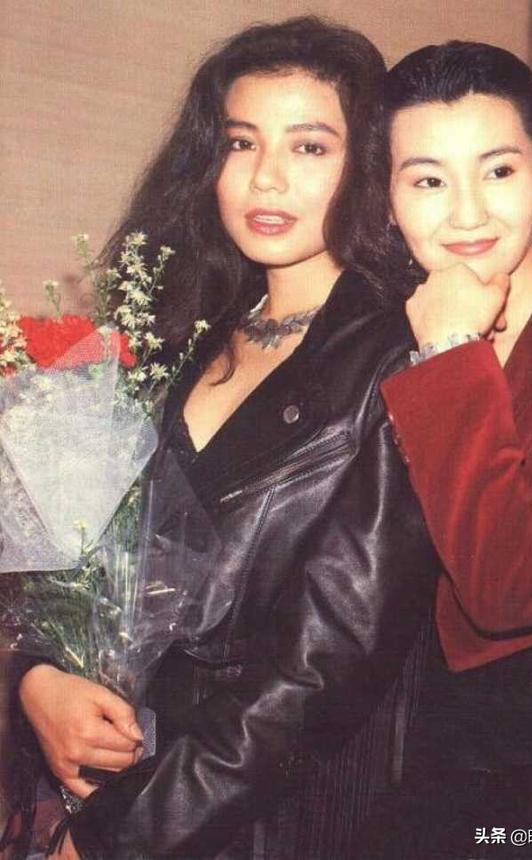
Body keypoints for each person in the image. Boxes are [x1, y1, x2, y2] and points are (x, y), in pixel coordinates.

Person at [9, 17, 438, 860]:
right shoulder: (173, 330)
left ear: (366, 165)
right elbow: (66, 571)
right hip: (116, 779)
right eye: (242, 143)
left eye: (309, 147)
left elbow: (325, 666)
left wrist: (117, 838)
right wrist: (35, 678)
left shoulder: (402, 359)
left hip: (276, 818)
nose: (266, 177)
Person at [359, 40, 532, 859]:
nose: (468, 215)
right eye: (428, 181)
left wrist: (451, 352)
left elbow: (512, 586)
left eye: (499, 171)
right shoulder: (379, 321)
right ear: (387, 198)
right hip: (371, 769)